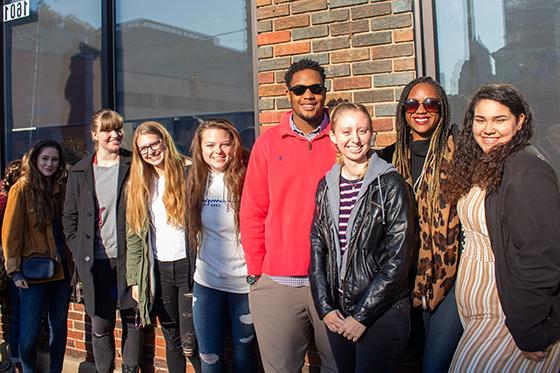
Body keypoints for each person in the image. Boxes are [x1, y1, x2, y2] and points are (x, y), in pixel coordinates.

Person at [445, 83, 560, 370]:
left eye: (500, 120)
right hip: (479, 312)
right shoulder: (489, 163)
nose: (488, 129)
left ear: (520, 122)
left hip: (508, 312)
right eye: (480, 119)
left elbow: (540, 254)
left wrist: (529, 328)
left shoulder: (525, 170)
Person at [240, 58, 337, 372]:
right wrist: (257, 271)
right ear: (289, 94)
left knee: (339, 366)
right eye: (300, 89)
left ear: (324, 92)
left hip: (334, 279)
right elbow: (253, 209)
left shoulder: (341, 140)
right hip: (279, 282)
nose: (308, 95)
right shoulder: (268, 143)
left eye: (315, 88)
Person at [309, 102, 415, 372]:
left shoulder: (390, 183)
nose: (355, 139)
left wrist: (362, 316)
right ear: (333, 136)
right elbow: (318, 249)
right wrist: (325, 307)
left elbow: (398, 259)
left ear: (372, 134)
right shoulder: (327, 185)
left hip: (382, 312)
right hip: (339, 311)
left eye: (362, 131)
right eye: (346, 132)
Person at [379, 76, 462, 371]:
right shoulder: (385, 160)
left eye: (430, 103)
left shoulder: (461, 155)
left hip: (450, 279)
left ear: (441, 109)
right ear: (403, 111)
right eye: (412, 103)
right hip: (404, 280)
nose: (420, 110)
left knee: (435, 365)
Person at [63, 109, 142, 373]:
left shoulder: (134, 165)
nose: (115, 134)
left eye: (118, 128)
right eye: (107, 130)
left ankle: (131, 369)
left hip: (127, 258)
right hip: (95, 261)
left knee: (132, 318)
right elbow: (69, 218)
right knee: (101, 324)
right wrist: (79, 248)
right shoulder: (80, 170)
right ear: (95, 135)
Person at [126, 121, 197, 373]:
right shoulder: (139, 185)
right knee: (173, 339)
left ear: (164, 141)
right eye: (143, 149)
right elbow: (134, 237)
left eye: (154, 144)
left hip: (190, 267)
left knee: (193, 340)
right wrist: (135, 280)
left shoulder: (190, 171)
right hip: (160, 270)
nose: (150, 152)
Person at [187, 119, 257, 372]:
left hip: (245, 286)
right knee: (210, 359)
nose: (218, 151)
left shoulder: (250, 178)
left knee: (244, 358)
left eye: (225, 144)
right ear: (200, 148)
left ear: (235, 145)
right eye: (210, 145)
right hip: (207, 285)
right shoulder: (194, 180)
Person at [2, 139, 72, 373]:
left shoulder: (62, 187)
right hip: (32, 273)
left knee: (59, 328)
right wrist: (15, 270)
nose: (50, 164)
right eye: (45, 159)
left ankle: (55, 370)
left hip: (62, 271)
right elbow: (10, 233)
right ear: (34, 159)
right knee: (29, 334)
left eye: (54, 159)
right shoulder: (21, 188)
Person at [0, 160, 23, 372]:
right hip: (10, 265)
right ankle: (15, 360)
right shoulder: (6, 200)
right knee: (18, 313)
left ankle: (14, 359)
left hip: (10, 265)